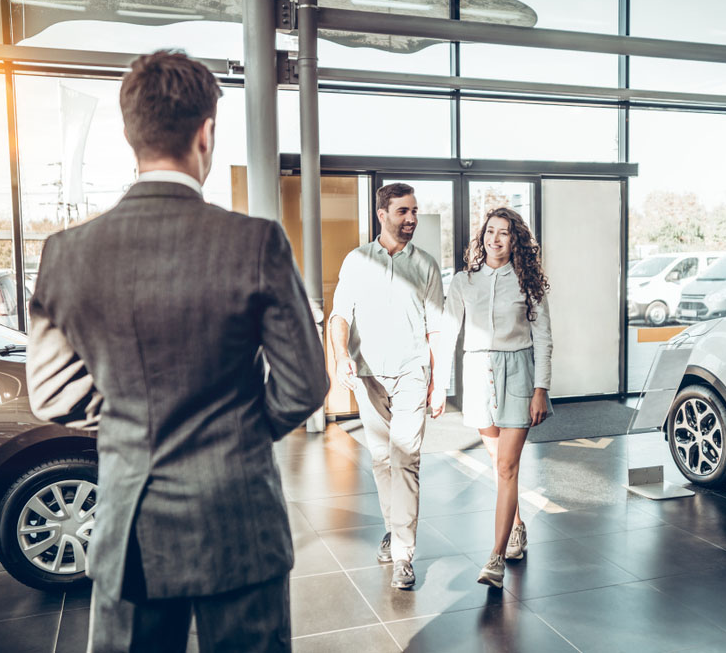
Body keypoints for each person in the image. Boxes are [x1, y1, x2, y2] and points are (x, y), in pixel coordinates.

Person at [25, 50, 329, 653]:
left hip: (129, 522)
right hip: (238, 513)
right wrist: (237, 433)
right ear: (206, 132)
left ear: (129, 133)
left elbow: (51, 394)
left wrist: (133, 425)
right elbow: (305, 384)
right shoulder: (255, 242)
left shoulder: (67, 253)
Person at [431, 207, 553, 590]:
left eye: (503, 233)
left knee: (506, 469)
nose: (494, 239)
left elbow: (544, 340)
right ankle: (518, 525)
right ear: (481, 237)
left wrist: (541, 389)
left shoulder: (528, 283)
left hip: (519, 371)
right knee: (498, 463)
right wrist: (439, 386)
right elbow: (447, 333)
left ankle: (496, 557)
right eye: (490, 232)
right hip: (477, 372)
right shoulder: (463, 281)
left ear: (515, 240)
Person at [329, 182, 443, 590]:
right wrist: (341, 356)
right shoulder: (358, 261)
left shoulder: (426, 265)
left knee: (406, 458)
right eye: (402, 212)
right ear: (382, 214)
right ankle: (395, 531)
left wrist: (440, 382)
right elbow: (339, 315)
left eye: (414, 211)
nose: (411, 219)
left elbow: (436, 330)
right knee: (381, 460)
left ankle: (403, 555)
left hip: (413, 372)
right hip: (368, 374)